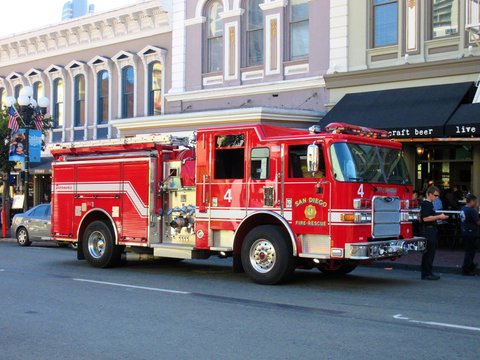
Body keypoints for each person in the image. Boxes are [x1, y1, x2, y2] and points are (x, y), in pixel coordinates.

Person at [420, 186, 449, 280]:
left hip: (430, 229)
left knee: (429, 252)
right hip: (429, 230)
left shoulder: (428, 204)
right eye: (435, 195)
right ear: (430, 194)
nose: (437, 197)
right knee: (429, 252)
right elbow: (426, 218)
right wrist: (439, 217)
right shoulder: (426, 204)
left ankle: (427, 272)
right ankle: (427, 273)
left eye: (438, 196)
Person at [459, 194, 480, 276]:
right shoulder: (472, 211)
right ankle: (466, 269)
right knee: (470, 252)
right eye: (475, 201)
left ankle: (470, 265)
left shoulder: (463, 209)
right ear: (471, 201)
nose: (476, 203)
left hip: (465, 232)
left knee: (469, 250)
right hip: (471, 232)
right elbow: (478, 222)